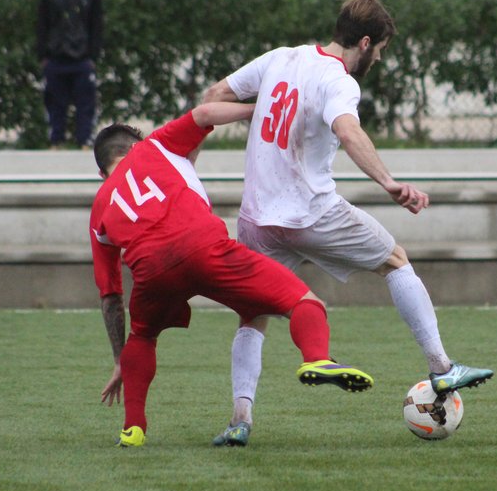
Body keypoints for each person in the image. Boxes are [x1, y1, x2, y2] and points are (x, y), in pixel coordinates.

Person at [202, 0, 494, 445]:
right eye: (380, 50)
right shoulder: (339, 80)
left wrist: (256, 111)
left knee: (252, 315)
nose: (378, 59)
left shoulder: (281, 58)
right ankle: (441, 367)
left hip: (257, 217)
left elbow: (214, 96)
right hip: (312, 212)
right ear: (365, 43)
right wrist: (389, 182)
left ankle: (240, 419)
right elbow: (347, 129)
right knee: (395, 260)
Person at [90, 103, 374, 449]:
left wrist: (120, 360)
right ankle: (316, 358)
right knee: (304, 301)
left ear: (102, 172)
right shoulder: (155, 145)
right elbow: (204, 113)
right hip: (204, 247)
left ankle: (133, 428)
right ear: (135, 144)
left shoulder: (100, 205)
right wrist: (258, 106)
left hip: (151, 272)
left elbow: (110, 295)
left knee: (143, 337)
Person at [37, 0, 103, 149]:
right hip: (56, 57)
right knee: (55, 101)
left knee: (86, 102)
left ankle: (84, 140)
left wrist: (93, 56)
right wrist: (43, 56)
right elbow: (42, 26)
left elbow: (96, 27)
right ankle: (56, 140)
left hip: (82, 58)